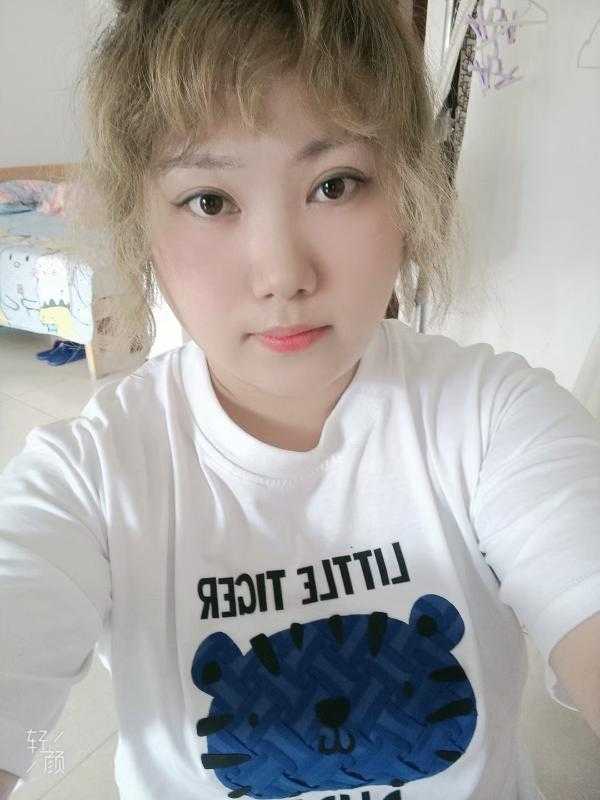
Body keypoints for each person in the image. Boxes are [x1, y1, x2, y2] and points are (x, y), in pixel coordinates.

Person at [1, 1, 599, 799]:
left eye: (334, 185)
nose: (282, 273)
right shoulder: (90, 477)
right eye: (210, 200)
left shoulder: (495, 419)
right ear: (140, 224)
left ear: (407, 193)